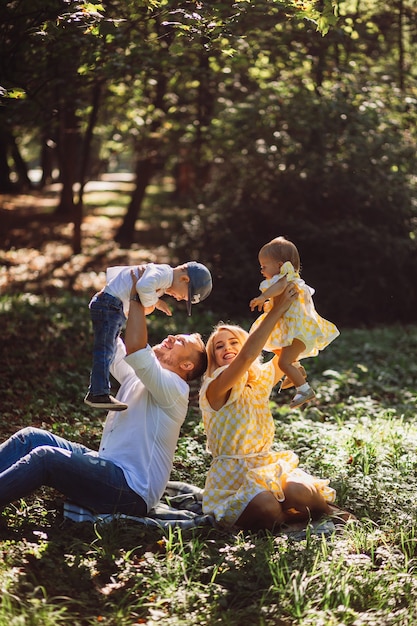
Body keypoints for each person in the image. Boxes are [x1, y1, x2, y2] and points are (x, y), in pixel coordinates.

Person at [0, 278, 208, 517]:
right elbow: (112, 343)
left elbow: (136, 348)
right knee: (31, 438)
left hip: (130, 491)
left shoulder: (175, 388)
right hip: (109, 469)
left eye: (181, 341)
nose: (171, 337)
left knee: (46, 458)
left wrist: (138, 297)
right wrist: (109, 301)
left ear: (187, 364)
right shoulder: (142, 374)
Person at [199, 285, 336, 531]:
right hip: (231, 478)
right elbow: (246, 357)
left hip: (265, 466)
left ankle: (330, 512)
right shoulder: (215, 387)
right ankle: (283, 520)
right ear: (213, 357)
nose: (227, 348)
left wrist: (288, 303)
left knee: (300, 490)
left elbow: (289, 351)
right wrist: (277, 310)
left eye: (233, 342)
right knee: (266, 508)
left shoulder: (259, 379)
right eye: (219, 346)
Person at [85, 261, 212, 410]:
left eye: (182, 299)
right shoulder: (163, 274)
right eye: (183, 296)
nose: (178, 299)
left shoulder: (172, 387)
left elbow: (134, 286)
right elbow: (141, 287)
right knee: (106, 350)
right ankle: (98, 392)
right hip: (110, 304)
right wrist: (156, 303)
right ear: (184, 279)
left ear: (187, 366)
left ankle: (98, 391)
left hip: (112, 306)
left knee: (107, 349)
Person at [249, 236, 339, 409]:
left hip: (300, 333)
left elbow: (278, 287)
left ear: (280, 265)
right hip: (299, 332)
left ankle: (303, 389)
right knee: (274, 348)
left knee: (283, 362)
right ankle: (297, 369)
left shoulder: (286, 277)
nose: (261, 270)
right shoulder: (291, 279)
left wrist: (263, 296)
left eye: (263, 266)